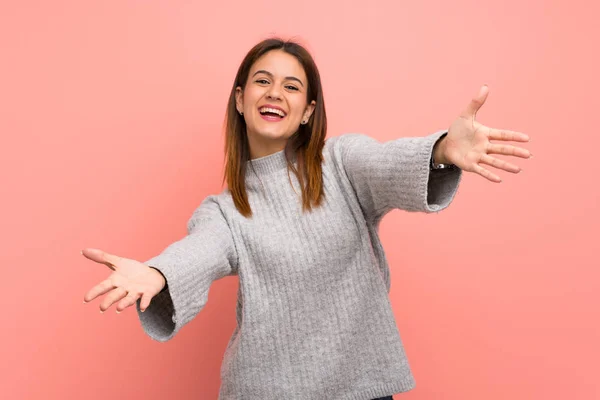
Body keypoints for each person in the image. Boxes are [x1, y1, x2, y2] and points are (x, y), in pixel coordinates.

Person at [82, 37, 531, 399]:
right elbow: (199, 251)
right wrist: (158, 272)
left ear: (308, 111)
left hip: (362, 390)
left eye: (292, 86)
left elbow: (387, 162)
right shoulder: (224, 210)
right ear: (240, 100)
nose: (275, 93)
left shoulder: (341, 162)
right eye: (262, 81)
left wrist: (441, 151)